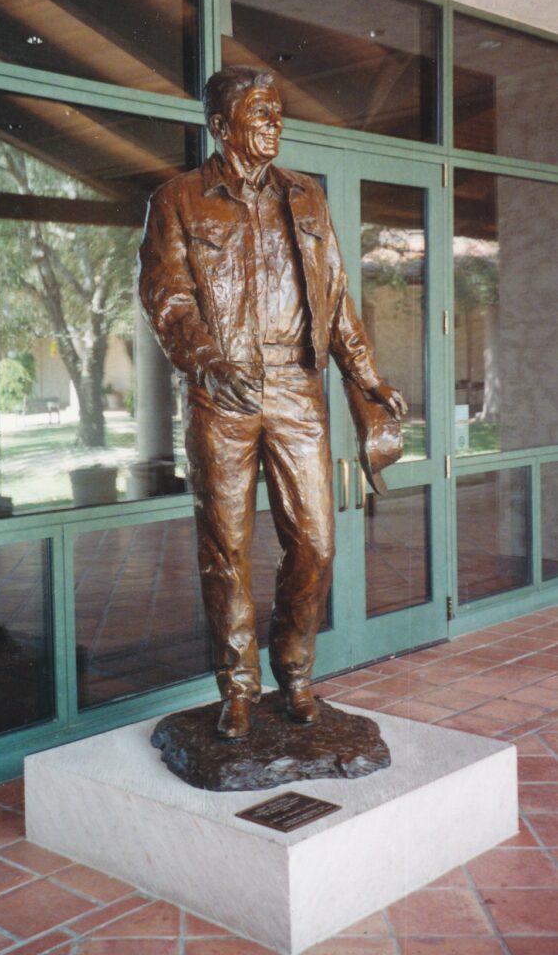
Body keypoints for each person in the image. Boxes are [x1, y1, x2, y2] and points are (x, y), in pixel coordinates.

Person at [138, 67, 406, 740]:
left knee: (315, 540)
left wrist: (368, 381)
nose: (275, 123)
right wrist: (207, 361)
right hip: (219, 395)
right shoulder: (177, 199)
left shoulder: (306, 197)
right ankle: (236, 688)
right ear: (221, 125)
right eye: (261, 112)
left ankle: (295, 668)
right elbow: (168, 301)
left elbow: (338, 297)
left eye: (278, 111)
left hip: (296, 388)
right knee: (225, 549)